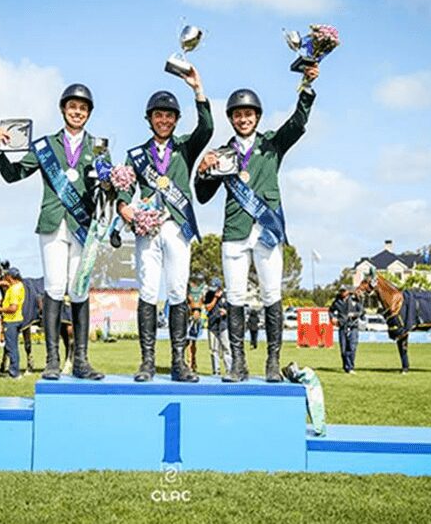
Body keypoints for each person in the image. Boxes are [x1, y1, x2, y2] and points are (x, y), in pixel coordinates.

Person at [195, 64, 319, 382]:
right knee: (235, 297)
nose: (243, 119)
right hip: (235, 232)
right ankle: (238, 363)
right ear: (232, 119)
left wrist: (306, 88)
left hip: (266, 230)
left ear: (257, 117)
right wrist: (202, 169)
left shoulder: (272, 145)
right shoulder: (222, 153)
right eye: (238, 115)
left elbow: (298, 123)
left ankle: (272, 362)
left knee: (271, 295)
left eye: (249, 114)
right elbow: (203, 195)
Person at [0, 83, 106, 380]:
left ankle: (80, 360)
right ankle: (53, 361)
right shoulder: (44, 146)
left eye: (83, 108)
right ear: (63, 109)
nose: (77, 112)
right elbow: (14, 175)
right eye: (72, 107)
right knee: (54, 287)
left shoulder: (99, 146)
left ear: (89, 113)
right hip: (53, 223)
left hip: (82, 225)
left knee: (79, 290)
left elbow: (106, 189)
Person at [116, 67, 212, 382]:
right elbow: (126, 189)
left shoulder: (185, 147)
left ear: (175, 120)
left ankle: (178, 363)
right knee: (146, 289)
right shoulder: (137, 155)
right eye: (159, 115)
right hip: (147, 229)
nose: (164, 120)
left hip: (176, 226)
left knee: (176, 290)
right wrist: (124, 207)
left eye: (170, 116)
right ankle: (146, 362)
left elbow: (207, 127)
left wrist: (198, 90)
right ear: (150, 118)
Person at [0, 268, 26, 379]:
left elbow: (13, 308)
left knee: (11, 347)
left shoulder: (14, 290)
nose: (5, 278)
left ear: (10, 277)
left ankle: (14, 372)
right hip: (17, 319)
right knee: (13, 346)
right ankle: (13, 370)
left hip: (11, 321)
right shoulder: (19, 286)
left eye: (6, 276)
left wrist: (1, 310)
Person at [330, 287, 363, 374]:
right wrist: (332, 318)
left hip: (353, 326)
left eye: (344, 291)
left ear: (348, 291)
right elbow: (331, 310)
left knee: (352, 347)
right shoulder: (337, 301)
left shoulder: (354, 299)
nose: (342, 293)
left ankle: (350, 367)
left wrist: (354, 314)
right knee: (343, 349)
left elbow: (361, 311)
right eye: (341, 291)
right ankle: (346, 366)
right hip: (342, 326)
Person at [204, 278, 232, 376]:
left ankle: (229, 370)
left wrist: (226, 312)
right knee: (213, 349)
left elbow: (233, 311)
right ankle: (216, 371)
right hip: (212, 325)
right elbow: (207, 307)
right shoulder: (209, 295)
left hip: (224, 325)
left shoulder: (227, 295)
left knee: (226, 348)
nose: (213, 290)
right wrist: (215, 298)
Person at [186, 277, 207, 373]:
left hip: (196, 319)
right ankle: (187, 363)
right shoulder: (188, 292)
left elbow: (202, 302)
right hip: (187, 317)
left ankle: (193, 362)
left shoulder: (200, 293)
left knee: (193, 342)